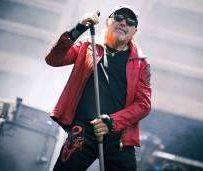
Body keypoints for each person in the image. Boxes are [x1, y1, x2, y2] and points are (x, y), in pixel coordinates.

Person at [45, 4, 152, 171]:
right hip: (83, 130)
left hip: (119, 136)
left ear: (134, 31)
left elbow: (143, 105)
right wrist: (78, 28)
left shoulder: (141, 64)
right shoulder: (87, 45)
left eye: (130, 21)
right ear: (107, 21)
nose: (124, 22)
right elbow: (53, 59)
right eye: (118, 17)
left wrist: (112, 122)